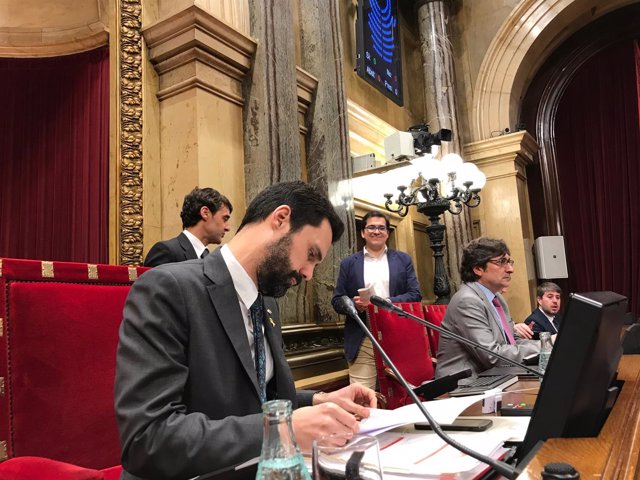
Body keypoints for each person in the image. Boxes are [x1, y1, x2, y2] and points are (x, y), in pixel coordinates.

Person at [115, 181, 377, 480]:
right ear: (280, 219)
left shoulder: (265, 301)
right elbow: (148, 440)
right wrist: (282, 428)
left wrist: (321, 401)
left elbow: (258, 397)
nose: (308, 273)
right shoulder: (168, 288)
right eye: (310, 254)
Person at [332, 211, 422, 389]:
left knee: (404, 393)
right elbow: (337, 300)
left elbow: (415, 294)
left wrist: (385, 302)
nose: (376, 231)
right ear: (363, 233)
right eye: (371, 227)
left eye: (381, 228)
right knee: (361, 396)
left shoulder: (403, 260)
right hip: (363, 336)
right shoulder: (349, 263)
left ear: (387, 233)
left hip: (398, 334)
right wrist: (354, 305)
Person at [435, 237, 539, 378]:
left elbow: (513, 341)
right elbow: (493, 357)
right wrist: (545, 345)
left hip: (494, 377)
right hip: (464, 386)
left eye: (509, 261)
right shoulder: (467, 301)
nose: (511, 269)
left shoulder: (497, 298)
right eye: (502, 262)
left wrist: (548, 343)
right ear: (478, 268)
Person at [143, 187, 232, 267]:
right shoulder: (166, 251)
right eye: (225, 219)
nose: (228, 227)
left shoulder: (210, 259)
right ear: (205, 213)